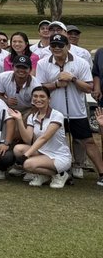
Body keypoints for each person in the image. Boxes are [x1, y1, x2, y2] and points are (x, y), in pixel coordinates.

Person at [34, 32, 103, 184]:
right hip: (53, 112)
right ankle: (52, 172)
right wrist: (57, 84)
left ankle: (102, 173)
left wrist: (72, 79)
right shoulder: (43, 63)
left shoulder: (80, 62)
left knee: (88, 142)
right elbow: (39, 88)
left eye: (60, 45)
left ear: (67, 46)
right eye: (53, 45)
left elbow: (89, 88)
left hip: (76, 112)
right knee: (49, 143)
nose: (56, 48)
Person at [10, 86, 73, 188]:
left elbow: (44, 138)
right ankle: (44, 175)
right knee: (18, 149)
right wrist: (19, 120)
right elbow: (27, 139)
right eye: (35, 96)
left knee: (27, 165)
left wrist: (26, 155)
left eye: (42, 96)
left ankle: (61, 174)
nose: (38, 99)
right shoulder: (32, 117)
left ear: (49, 99)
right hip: (43, 152)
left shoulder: (57, 115)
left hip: (59, 156)